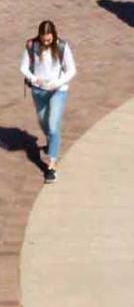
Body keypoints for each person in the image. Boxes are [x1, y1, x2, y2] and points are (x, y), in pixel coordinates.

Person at [19, 20, 76, 184]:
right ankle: (52, 141)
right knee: (43, 122)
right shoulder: (32, 45)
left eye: (49, 40)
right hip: (38, 91)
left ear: (54, 36)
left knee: (53, 124)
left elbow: (71, 69)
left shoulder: (62, 47)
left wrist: (57, 83)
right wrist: (34, 79)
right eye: (43, 39)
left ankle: (51, 165)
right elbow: (23, 67)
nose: (46, 42)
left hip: (58, 90)